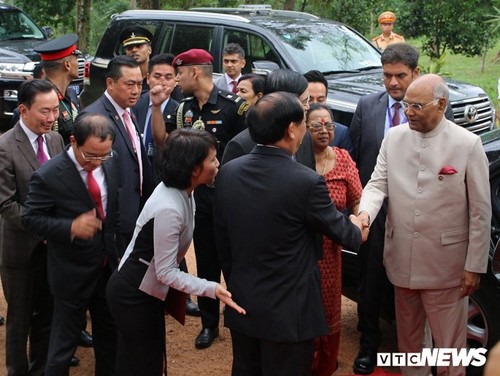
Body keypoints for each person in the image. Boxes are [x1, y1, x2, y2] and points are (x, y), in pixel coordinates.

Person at [214, 92, 365, 376]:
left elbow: (223, 241)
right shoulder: (306, 181)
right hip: (290, 314)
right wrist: (360, 221)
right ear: (291, 129)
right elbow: (348, 235)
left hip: (243, 301)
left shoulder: (229, 172)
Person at [358, 74, 491, 376]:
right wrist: (365, 214)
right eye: (406, 105)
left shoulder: (467, 144)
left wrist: (474, 265)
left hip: (448, 266)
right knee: (410, 346)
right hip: (401, 259)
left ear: (442, 105)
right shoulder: (394, 137)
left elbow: (481, 212)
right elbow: (377, 185)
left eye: (417, 106)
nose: (409, 112)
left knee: (449, 351)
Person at [349, 43, 455, 375]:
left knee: (413, 279)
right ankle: (368, 344)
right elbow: (356, 158)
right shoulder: (366, 106)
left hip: (419, 214)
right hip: (375, 209)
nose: (393, 83)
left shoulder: (436, 109)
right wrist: (361, 206)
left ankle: (409, 348)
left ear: (416, 73)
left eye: (400, 76)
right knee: (371, 278)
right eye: (387, 76)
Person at [106, 128, 246, 376]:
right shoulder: (169, 207)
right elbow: (167, 272)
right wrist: (211, 288)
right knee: (140, 364)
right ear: (194, 169)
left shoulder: (184, 191)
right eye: (212, 159)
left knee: (148, 359)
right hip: (133, 294)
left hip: (144, 290)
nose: (218, 164)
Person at [22, 113, 122, 376]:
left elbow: (114, 212)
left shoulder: (111, 163)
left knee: (109, 340)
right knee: (63, 347)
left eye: (104, 155)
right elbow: (30, 219)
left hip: (106, 268)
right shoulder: (48, 175)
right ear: (73, 141)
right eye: (90, 155)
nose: (97, 163)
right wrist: (70, 227)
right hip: (70, 273)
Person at [172, 48, 249, 349]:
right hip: (200, 201)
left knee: (236, 262)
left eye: (179, 73)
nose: (177, 79)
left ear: (194, 72)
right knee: (206, 262)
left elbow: (247, 153)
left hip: (231, 200)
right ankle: (209, 324)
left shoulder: (236, 108)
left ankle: (240, 319)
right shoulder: (184, 109)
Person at [0, 79, 64, 376]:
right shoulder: (4, 147)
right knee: (19, 321)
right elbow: (7, 205)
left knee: (47, 316)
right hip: (21, 251)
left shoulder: (55, 140)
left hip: (53, 252)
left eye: (55, 110)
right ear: (23, 110)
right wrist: (47, 230)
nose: (52, 118)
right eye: (44, 111)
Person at [306, 103, 362, 376]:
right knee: (302, 309)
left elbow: (357, 202)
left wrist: (359, 225)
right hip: (300, 249)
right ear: (304, 130)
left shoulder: (342, 158)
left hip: (330, 250)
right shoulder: (296, 161)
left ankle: (325, 366)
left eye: (328, 125)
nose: (324, 130)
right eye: (316, 126)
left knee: (328, 308)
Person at [80, 55, 154, 248]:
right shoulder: (94, 118)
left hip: (136, 212)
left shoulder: (129, 111)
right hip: (112, 221)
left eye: (140, 84)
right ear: (110, 83)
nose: (136, 91)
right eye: (129, 84)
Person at [221, 68, 315, 169]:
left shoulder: (305, 137)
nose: (308, 107)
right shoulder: (241, 146)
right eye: (304, 102)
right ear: (285, 102)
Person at [34, 34, 82, 145]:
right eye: (76, 59)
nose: (78, 63)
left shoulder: (70, 94)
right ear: (67, 65)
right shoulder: (39, 99)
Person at [303, 69, 353, 155]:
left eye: (320, 100)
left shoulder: (341, 133)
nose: (315, 104)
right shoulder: (293, 131)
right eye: (309, 100)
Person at [120, 25, 154, 92]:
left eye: (138, 46)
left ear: (149, 50)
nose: (134, 50)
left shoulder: (158, 77)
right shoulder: (122, 78)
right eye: (129, 47)